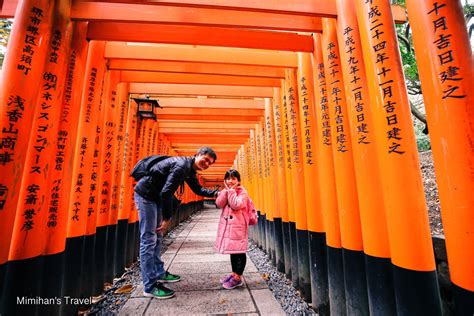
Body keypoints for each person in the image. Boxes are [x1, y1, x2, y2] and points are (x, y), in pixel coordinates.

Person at [134, 147, 218, 299]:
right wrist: (167, 219)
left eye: (209, 163)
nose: (206, 164)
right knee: (148, 239)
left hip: (156, 198)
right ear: (197, 154)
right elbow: (166, 192)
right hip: (146, 196)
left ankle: (159, 273)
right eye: (205, 159)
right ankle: (149, 286)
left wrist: (215, 192)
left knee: (157, 237)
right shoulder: (181, 166)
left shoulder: (189, 169)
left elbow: (198, 190)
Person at [214, 169, 251, 289]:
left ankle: (238, 277)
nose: (230, 181)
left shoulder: (242, 192)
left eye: (233, 178)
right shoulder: (226, 191)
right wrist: (226, 192)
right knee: (233, 250)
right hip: (228, 226)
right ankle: (234, 273)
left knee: (239, 251)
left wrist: (231, 192)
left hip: (238, 226)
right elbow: (219, 204)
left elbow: (236, 205)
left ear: (238, 180)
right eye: (228, 178)